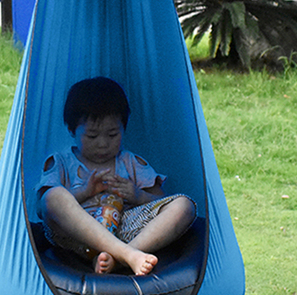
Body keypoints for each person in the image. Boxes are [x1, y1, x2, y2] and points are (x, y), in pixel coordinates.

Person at [37, 77, 196, 276]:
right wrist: (84, 192)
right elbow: (41, 209)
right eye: (92, 136)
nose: (103, 143)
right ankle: (128, 255)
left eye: (112, 135)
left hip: (125, 230)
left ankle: (116, 258)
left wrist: (138, 196)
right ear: (71, 130)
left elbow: (161, 200)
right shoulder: (61, 162)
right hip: (77, 237)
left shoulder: (131, 162)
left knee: (184, 205)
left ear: (124, 129)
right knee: (52, 196)